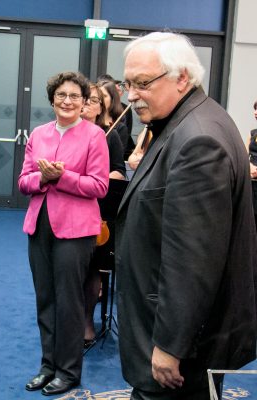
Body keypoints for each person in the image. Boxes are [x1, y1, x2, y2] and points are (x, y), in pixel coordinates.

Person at [115, 32, 257, 400]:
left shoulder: (198, 140)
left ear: (182, 78)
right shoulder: (190, 121)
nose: (131, 95)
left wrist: (170, 345)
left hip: (180, 350)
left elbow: (193, 263)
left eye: (142, 83)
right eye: (128, 84)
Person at [19, 71, 109, 396]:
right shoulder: (39, 134)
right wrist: (42, 179)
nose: (67, 101)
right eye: (61, 95)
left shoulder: (94, 136)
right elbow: (24, 182)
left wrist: (62, 177)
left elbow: (99, 186)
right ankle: (47, 366)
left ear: (84, 102)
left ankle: (68, 371)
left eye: (74, 96)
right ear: (52, 100)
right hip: (40, 223)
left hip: (76, 229)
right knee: (45, 298)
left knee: (69, 301)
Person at [81, 83, 125, 346]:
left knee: (92, 267)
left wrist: (96, 179)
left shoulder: (110, 136)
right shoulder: (66, 132)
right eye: (84, 99)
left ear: (101, 107)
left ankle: (87, 320)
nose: (86, 104)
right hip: (69, 210)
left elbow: (119, 171)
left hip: (98, 213)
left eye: (93, 100)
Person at [97, 74, 135, 159]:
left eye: (104, 96)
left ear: (112, 99)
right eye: (98, 96)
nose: (100, 100)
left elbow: (116, 157)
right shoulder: (91, 122)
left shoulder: (120, 128)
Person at [247, 100, 257, 229]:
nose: (255, 112)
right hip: (251, 184)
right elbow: (245, 155)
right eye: (255, 109)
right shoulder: (252, 133)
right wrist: (249, 167)